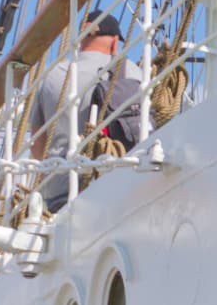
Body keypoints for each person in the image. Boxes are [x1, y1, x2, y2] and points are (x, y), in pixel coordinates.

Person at [23, 16, 146, 211]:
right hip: (122, 187)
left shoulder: (54, 75)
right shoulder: (134, 74)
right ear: (115, 42)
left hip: (61, 194)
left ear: (81, 40)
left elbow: (38, 143)